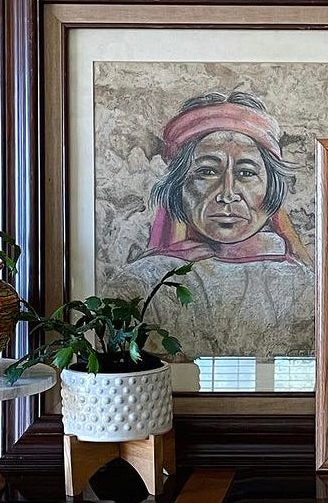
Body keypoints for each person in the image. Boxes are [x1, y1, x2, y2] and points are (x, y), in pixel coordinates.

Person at [112, 90, 313, 362]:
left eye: (246, 173)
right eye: (207, 172)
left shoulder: (303, 286)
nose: (227, 193)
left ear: (272, 189)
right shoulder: (140, 284)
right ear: (178, 185)